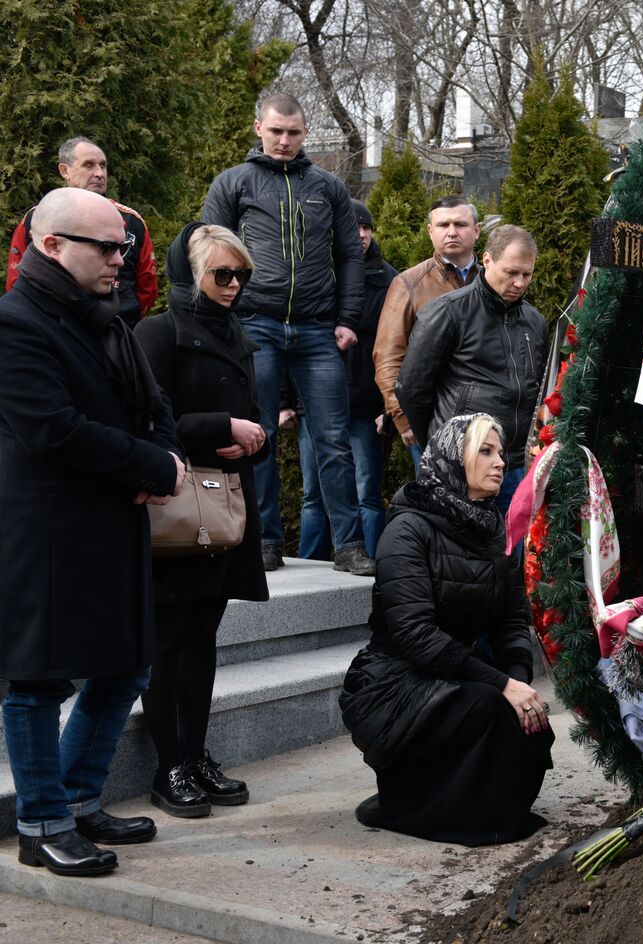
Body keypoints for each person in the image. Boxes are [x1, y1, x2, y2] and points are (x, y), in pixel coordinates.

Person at [0, 188, 185, 876]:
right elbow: (51, 429)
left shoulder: (104, 318)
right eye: (105, 247)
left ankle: (77, 799)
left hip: (111, 519)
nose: (121, 258)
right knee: (38, 679)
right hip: (49, 530)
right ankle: (41, 822)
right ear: (52, 245)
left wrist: (164, 461)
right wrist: (148, 464)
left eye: (124, 246)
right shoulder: (16, 322)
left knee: (126, 664)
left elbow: (155, 406)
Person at [339, 413, 552, 845]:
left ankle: (490, 808)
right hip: (393, 681)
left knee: (528, 717)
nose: (500, 463)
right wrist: (500, 685)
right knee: (490, 708)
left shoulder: (490, 529)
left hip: (455, 669)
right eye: (485, 452)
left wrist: (518, 680)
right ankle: (425, 806)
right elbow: (414, 633)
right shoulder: (407, 530)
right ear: (455, 460)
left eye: (500, 452)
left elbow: (511, 618)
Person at [201, 92, 373, 577]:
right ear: (258, 127)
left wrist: (347, 318)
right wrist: (223, 322)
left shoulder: (329, 186)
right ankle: (263, 541)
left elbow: (349, 257)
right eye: (276, 131)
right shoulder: (233, 183)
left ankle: (349, 545)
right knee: (259, 437)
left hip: (319, 329)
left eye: (294, 132)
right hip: (254, 325)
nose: (284, 140)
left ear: (305, 132)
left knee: (334, 440)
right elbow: (209, 252)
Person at [133, 223, 270, 818]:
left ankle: (195, 752)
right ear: (191, 274)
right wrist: (220, 429)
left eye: (242, 274)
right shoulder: (157, 333)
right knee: (168, 642)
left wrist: (255, 438)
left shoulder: (237, 332)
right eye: (223, 274)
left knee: (204, 640)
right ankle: (169, 765)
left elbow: (251, 414)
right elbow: (144, 424)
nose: (235, 284)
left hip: (225, 503)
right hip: (177, 508)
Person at [396, 225, 545, 516]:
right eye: (511, 272)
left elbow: (534, 390)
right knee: (452, 556)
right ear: (487, 260)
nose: (519, 282)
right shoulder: (448, 311)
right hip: (458, 465)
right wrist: (443, 444)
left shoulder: (534, 322)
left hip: (511, 466)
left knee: (507, 556)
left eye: (526, 274)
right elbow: (411, 388)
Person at [297, 200, 397, 559]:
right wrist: (285, 401)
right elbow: (289, 338)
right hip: (314, 402)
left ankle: (369, 562)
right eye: (352, 228)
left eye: (366, 227)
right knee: (313, 493)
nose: (360, 235)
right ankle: (310, 564)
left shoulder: (389, 280)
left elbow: (396, 348)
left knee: (366, 491)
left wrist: (389, 406)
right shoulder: (315, 274)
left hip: (364, 403)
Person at [374, 196, 482, 469]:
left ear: (477, 230)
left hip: (486, 420)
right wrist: (403, 418)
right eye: (443, 224)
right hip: (431, 421)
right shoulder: (409, 284)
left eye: (460, 224)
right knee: (439, 505)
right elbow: (387, 356)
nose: (452, 231)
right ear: (430, 231)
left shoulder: (492, 281)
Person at [7, 136, 159, 328]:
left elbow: (147, 287)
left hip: (118, 329)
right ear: (65, 170)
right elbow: (17, 278)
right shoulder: (36, 219)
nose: (99, 173)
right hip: (51, 329)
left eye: (103, 165)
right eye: (88, 165)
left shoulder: (132, 221)